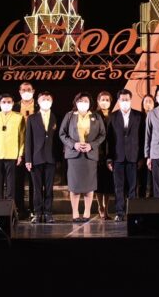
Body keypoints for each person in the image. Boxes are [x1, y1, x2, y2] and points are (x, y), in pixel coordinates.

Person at [59, 92, 106, 222]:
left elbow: (102, 134)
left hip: (90, 156)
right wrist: (73, 144)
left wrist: (91, 145)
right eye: (80, 101)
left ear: (90, 103)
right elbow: (62, 134)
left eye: (85, 101)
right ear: (76, 102)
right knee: (74, 186)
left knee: (89, 186)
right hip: (74, 156)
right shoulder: (69, 116)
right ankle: (75, 213)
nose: (83, 103)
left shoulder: (96, 116)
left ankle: (87, 213)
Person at [106, 89, 144, 221]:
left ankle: (132, 213)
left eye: (127, 99)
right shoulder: (112, 116)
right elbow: (109, 139)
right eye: (122, 100)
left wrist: (141, 157)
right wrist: (109, 158)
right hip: (118, 157)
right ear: (118, 101)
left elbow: (142, 137)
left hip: (134, 157)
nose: (125, 102)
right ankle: (120, 212)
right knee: (119, 187)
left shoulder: (139, 116)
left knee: (133, 187)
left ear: (131, 100)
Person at [0, 94, 25, 207]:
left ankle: (10, 208)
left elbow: (22, 137)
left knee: (11, 184)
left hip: (12, 155)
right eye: (4, 102)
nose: (6, 104)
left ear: (13, 103)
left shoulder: (19, 117)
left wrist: (20, 154)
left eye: (9, 102)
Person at [25, 91, 58, 224]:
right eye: (43, 99)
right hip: (36, 158)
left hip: (51, 158)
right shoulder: (32, 118)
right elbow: (28, 140)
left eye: (48, 99)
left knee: (49, 188)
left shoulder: (56, 116)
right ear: (38, 102)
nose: (46, 101)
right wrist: (28, 159)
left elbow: (58, 140)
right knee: (37, 188)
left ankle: (48, 213)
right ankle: (37, 213)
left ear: (52, 101)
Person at [14, 82, 37, 220]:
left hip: (35, 147)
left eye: (29, 89)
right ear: (19, 91)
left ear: (33, 91)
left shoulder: (40, 106)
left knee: (34, 180)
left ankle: (34, 208)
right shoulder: (14, 107)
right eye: (23, 90)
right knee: (18, 180)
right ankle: (19, 209)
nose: (26, 92)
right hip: (18, 147)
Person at [95, 91, 114, 220]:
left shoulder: (113, 115)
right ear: (98, 101)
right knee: (98, 183)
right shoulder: (94, 115)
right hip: (97, 153)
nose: (105, 102)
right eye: (102, 99)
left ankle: (106, 208)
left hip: (110, 153)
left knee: (108, 183)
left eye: (107, 99)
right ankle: (100, 206)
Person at [138, 94, 155, 198]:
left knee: (153, 182)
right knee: (141, 182)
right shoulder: (138, 118)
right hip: (141, 154)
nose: (148, 104)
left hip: (155, 153)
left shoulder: (157, 116)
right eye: (146, 101)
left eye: (150, 101)